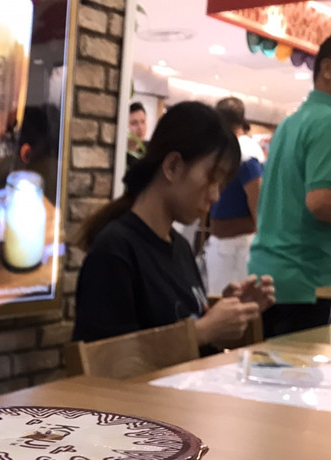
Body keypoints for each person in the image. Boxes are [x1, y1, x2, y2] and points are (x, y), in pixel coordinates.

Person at [73, 101, 275, 350]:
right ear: (173, 166)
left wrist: (225, 319)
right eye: (212, 179)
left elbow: (188, 344)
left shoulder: (180, 247)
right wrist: (203, 330)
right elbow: (107, 359)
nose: (215, 196)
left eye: (221, 185)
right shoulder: (115, 250)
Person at [248, 35, 331, 337]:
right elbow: (320, 202)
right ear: (328, 69)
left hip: (270, 274)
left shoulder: (291, 122)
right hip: (305, 279)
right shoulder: (327, 121)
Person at [204, 97, 264, 295]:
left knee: (229, 303)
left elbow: (258, 208)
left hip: (236, 248)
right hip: (225, 246)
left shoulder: (245, 154)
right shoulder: (233, 151)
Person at [126, 102, 147, 172]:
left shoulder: (152, 150)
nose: (140, 127)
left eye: (143, 122)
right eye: (134, 123)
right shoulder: (120, 154)